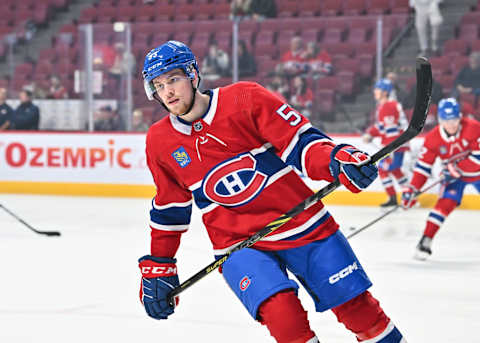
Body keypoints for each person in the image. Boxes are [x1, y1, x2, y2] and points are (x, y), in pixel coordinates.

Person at [137, 40, 407, 343]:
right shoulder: (159, 141)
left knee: (361, 313)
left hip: (304, 225)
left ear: (193, 75)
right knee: (284, 320)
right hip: (239, 246)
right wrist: (159, 265)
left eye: (173, 79)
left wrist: (335, 160)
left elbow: (302, 144)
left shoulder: (246, 98)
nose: (168, 92)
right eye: (158, 85)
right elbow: (169, 209)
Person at [402, 98, 480, 260]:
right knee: (444, 204)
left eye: (454, 119)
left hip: (476, 173)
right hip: (453, 178)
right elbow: (423, 168)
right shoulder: (432, 139)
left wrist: (457, 168)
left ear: (460, 117)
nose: (451, 124)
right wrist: (412, 188)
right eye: (446, 120)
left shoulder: (474, 128)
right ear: (440, 120)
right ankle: (426, 240)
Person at [363, 79, 409, 208]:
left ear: (384, 92)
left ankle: (397, 197)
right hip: (398, 144)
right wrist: (370, 133)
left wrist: (387, 148)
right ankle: (409, 195)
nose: (375, 91)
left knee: (383, 169)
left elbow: (392, 132)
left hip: (395, 145)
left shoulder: (388, 106)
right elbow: (382, 127)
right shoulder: (386, 105)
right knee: (395, 171)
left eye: (377, 89)